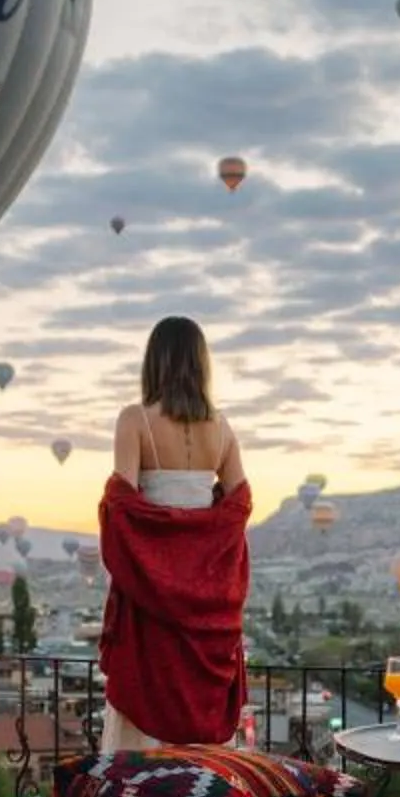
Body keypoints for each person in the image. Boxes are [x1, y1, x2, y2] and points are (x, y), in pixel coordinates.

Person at [96, 317, 251, 752]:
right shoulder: (222, 428)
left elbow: (122, 508)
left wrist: (158, 550)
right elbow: (238, 505)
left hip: (150, 595)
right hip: (207, 596)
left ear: (154, 361)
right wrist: (202, 537)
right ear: (202, 364)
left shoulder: (134, 420)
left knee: (146, 694)